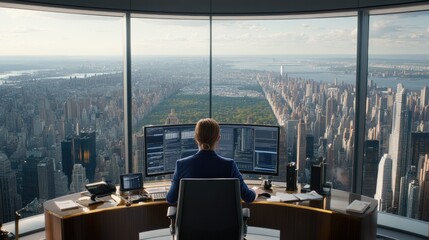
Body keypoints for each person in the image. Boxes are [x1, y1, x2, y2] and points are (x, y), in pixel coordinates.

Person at [166, 118, 263, 204]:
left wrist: (174, 183)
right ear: (218, 138)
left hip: (191, 224)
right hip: (223, 224)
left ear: (195, 138)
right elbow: (248, 197)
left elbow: (171, 199)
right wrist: (255, 191)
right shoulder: (229, 166)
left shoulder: (182, 165)